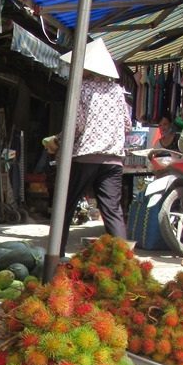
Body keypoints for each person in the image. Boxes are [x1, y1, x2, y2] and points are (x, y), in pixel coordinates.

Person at [54, 38, 131, 255]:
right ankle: (126, 261)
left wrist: (58, 140)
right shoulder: (117, 91)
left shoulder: (82, 88)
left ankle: (56, 255)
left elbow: (75, 125)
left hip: (86, 156)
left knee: (66, 206)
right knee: (112, 211)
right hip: (113, 159)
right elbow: (127, 125)